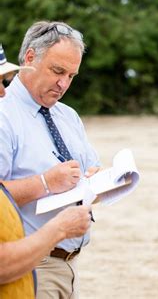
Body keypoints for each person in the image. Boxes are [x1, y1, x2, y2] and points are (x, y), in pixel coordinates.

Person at [0, 21, 101, 298]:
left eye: (71, 75)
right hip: (26, 268)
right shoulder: (4, 115)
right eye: (57, 71)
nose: (63, 84)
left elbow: (91, 169)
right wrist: (45, 182)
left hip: (70, 266)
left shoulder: (68, 115)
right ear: (30, 57)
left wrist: (100, 182)